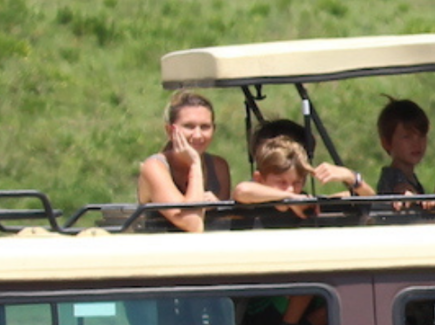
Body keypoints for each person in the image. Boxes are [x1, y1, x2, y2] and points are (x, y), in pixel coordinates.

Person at [135, 92, 230, 234]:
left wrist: (216, 204)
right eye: (189, 126)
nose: (198, 135)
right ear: (170, 130)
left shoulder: (218, 167)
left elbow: (223, 222)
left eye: (205, 127)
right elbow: (192, 224)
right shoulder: (154, 167)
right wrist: (195, 164)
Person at [233, 135, 376, 224]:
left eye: (296, 183)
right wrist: (289, 197)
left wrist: (350, 177)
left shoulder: (307, 205)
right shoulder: (253, 200)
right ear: (259, 179)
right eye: (281, 182)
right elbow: (242, 191)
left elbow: (372, 202)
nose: (290, 188)